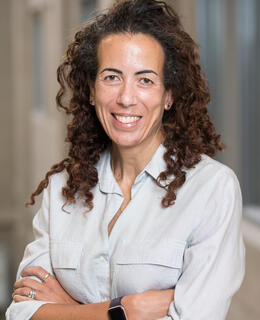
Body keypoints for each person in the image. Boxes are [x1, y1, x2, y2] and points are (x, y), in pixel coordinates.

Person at [6, 0, 245, 319]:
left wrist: (68, 309)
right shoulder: (63, 188)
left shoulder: (211, 189)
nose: (126, 98)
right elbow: (22, 312)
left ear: (168, 95)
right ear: (91, 90)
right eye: (111, 77)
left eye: (145, 80)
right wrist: (123, 310)